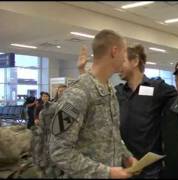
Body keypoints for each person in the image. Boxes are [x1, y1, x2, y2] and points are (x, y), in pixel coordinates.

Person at [77, 44, 178, 178]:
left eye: (122, 61)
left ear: (135, 61)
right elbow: (95, 97)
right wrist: (82, 71)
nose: (118, 66)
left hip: (150, 170)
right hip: (122, 167)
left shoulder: (157, 88)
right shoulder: (118, 91)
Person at [49, 29, 136, 179]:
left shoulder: (109, 91)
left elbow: (113, 136)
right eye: (124, 52)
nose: (125, 58)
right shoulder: (77, 94)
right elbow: (59, 151)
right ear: (114, 51)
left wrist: (126, 156)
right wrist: (106, 173)